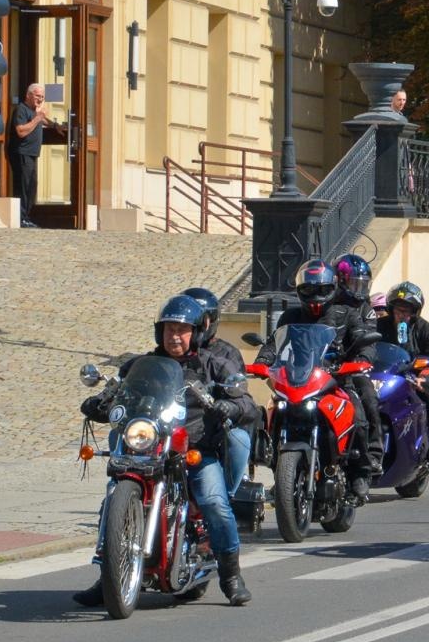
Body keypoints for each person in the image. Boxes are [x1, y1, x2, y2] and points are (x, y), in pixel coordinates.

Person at [76, 294, 256, 607]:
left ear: (197, 332)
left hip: (194, 449)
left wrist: (230, 405)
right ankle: (108, 574)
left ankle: (231, 574)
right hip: (148, 447)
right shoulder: (140, 365)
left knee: (214, 501)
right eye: (169, 328)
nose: (175, 335)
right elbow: (117, 389)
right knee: (112, 496)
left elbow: (245, 401)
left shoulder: (214, 364)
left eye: (182, 329)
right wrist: (101, 403)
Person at [269, 260, 380, 499]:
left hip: (337, 380)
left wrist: (360, 359)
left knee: (358, 417)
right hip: (299, 379)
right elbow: (273, 344)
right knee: (274, 413)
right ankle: (277, 469)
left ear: (333, 288)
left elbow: (364, 339)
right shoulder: (290, 316)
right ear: (299, 290)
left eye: (321, 290)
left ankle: (360, 471)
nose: (315, 296)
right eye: (309, 289)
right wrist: (263, 362)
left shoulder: (347, 313)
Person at [182, 286, 256, 498]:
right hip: (175, 421)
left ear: (209, 321)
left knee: (237, 439)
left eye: (198, 319)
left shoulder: (227, 353)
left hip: (213, 425)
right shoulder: (173, 351)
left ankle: (226, 494)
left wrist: (227, 406)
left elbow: (240, 394)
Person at [331, 253, 387, 482]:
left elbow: (370, 340)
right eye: (354, 282)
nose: (359, 288)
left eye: (362, 283)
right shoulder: (327, 303)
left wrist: (362, 360)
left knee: (368, 399)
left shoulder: (367, 309)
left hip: (353, 367)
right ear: (341, 281)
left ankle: (373, 454)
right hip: (324, 367)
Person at [376, 281, 429, 449]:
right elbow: (368, 349)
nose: (402, 314)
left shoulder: (425, 328)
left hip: (414, 377)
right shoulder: (379, 326)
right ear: (391, 309)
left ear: (415, 312)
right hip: (386, 375)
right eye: (399, 310)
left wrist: (424, 378)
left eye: (407, 311)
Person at [9, 84, 50, 228]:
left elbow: (43, 120)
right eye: (38, 96)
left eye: (42, 97)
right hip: (22, 153)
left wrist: (56, 126)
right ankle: (21, 218)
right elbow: (20, 131)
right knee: (23, 187)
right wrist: (37, 119)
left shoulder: (34, 112)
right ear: (28, 95)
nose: (40, 99)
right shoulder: (21, 109)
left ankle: (26, 216)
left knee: (31, 187)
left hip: (32, 155)